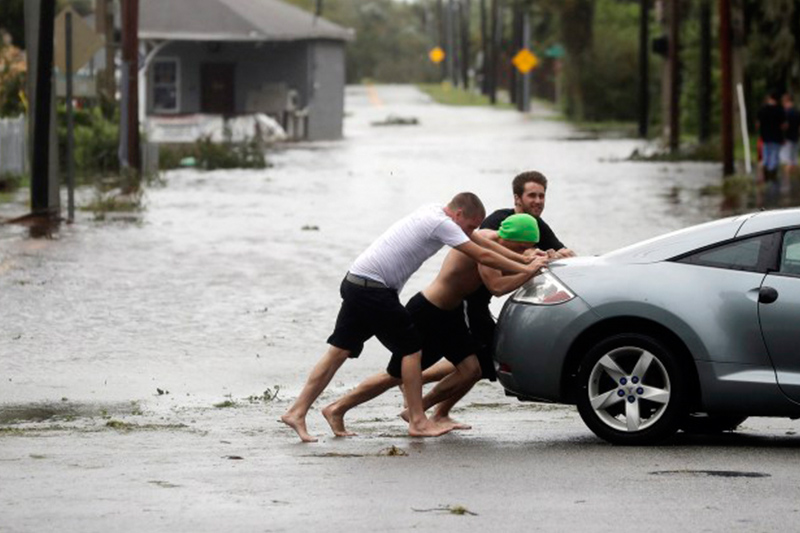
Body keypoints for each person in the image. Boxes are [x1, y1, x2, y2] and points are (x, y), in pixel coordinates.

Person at [280, 193, 542, 442]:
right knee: (410, 349)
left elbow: (486, 245)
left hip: (358, 281)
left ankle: (298, 411)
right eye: (470, 225)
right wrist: (527, 268)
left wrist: (530, 261)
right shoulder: (442, 224)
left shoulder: (433, 211)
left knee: (338, 352)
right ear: (459, 214)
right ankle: (417, 420)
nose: (470, 232)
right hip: (374, 288)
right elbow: (484, 254)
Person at [418, 171, 574, 422]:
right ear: (517, 198)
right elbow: (493, 268)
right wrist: (528, 264)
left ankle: (429, 399)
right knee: (480, 362)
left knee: (481, 361)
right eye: (531, 195)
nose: (538, 201)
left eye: (542, 196)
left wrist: (561, 254)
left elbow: (555, 249)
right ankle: (423, 398)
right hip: (468, 301)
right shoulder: (498, 223)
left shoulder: (535, 226)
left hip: (482, 303)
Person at [757, 91, 787, 184]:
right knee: (774, 156)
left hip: (765, 137)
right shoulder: (780, 110)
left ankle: (765, 174)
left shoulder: (763, 110)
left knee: (766, 155)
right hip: (777, 137)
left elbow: (758, 124)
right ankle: (772, 175)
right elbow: (784, 125)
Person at [781, 93, 800, 182]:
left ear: (786, 101)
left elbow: (785, 126)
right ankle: (795, 179)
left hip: (787, 138)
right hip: (796, 137)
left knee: (787, 160)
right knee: (794, 159)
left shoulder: (786, 113)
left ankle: (787, 180)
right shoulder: (797, 112)